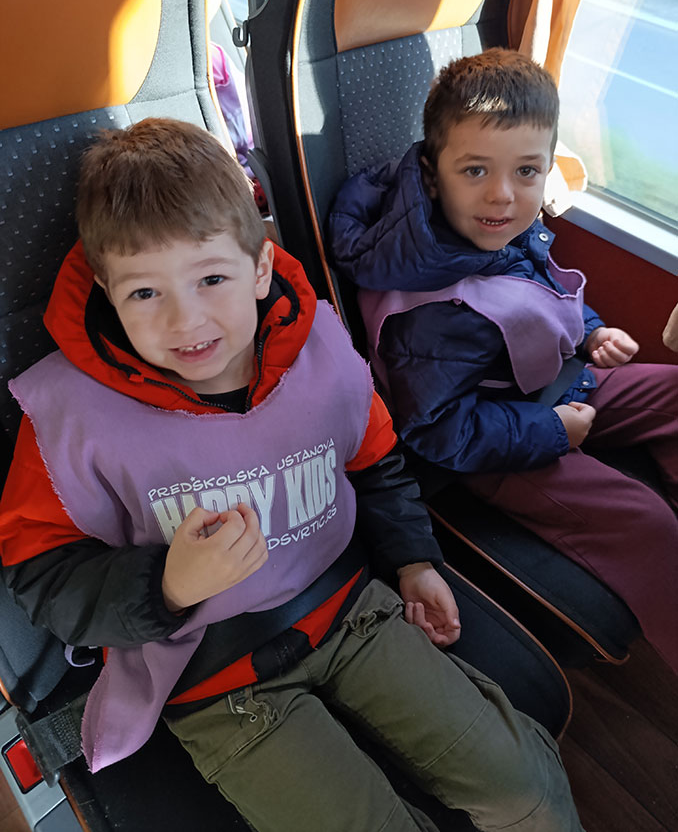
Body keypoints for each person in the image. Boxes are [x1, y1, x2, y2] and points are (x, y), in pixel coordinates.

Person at [0, 117, 583, 832]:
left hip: (351, 613)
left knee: (526, 786)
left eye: (212, 278)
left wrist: (412, 558)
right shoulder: (68, 418)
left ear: (260, 269)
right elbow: (40, 574)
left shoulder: (320, 350)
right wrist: (166, 585)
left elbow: (374, 460)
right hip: (214, 683)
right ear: (108, 292)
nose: (185, 321)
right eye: (145, 294)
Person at [327, 48, 678, 677]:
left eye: (526, 171)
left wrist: (591, 332)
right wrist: (551, 432)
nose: (503, 194)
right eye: (475, 170)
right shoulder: (430, 313)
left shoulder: (493, 231)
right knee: (648, 524)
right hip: (496, 445)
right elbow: (436, 432)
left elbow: (536, 293)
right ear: (432, 175)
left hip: (556, 381)